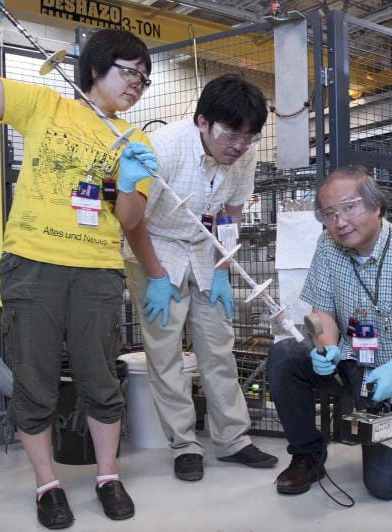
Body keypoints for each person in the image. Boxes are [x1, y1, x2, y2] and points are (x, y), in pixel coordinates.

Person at [0, 1, 156, 528]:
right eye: (129, 71)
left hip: (96, 269)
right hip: (33, 263)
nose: (138, 83)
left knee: (99, 378)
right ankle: (47, 485)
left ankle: (108, 476)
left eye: (145, 78)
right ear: (96, 69)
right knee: (35, 380)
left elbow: (131, 217)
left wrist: (124, 175)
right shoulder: (45, 106)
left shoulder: (134, 139)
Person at [268, 167, 392, 500]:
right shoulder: (328, 245)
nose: (340, 222)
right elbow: (323, 311)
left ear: (376, 206)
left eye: (350, 208)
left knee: (384, 486)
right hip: (351, 360)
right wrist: (328, 347)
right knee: (285, 355)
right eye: (330, 214)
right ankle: (307, 454)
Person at [122, 74, 278, 481]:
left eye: (249, 136)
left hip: (207, 248)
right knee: (166, 351)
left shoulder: (243, 153)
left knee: (218, 345)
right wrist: (156, 277)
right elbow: (133, 222)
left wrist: (223, 269)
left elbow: (231, 213)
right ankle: (185, 445)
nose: (239, 146)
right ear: (203, 122)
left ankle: (232, 439)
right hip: (155, 246)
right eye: (230, 134)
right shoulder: (165, 147)